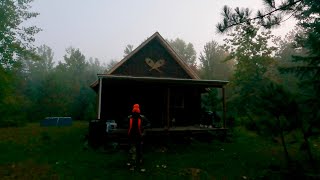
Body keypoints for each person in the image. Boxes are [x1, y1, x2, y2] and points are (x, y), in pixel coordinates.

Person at [127, 104, 150, 171]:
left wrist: (143, 128)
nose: (135, 113)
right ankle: (133, 165)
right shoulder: (129, 118)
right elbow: (124, 123)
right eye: (135, 112)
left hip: (139, 136)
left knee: (139, 150)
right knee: (133, 151)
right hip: (132, 137)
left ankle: (140, 162)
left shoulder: (142, 118)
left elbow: (149, 123)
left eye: (136, 112)